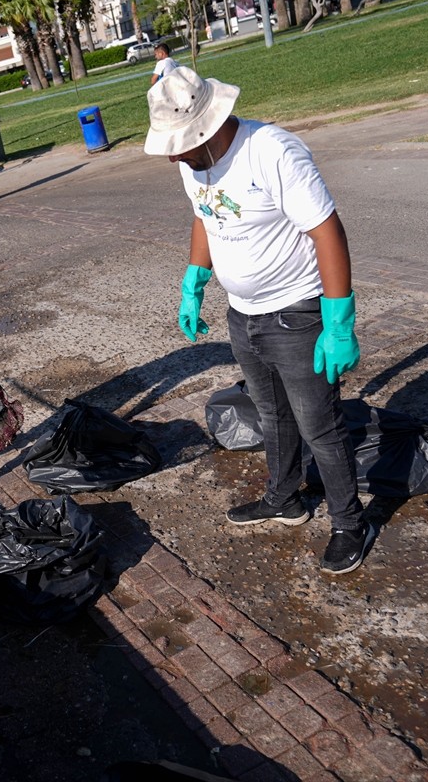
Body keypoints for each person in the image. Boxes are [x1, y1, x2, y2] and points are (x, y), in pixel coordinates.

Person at [144, 66, 371, 574]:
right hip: (242, 316)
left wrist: (338, 323)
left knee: (320, 426)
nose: (174, 155)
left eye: (180, 144)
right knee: (271, 415)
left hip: (296, 315)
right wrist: (194, 281)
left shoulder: (272, 152)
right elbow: (205, 214)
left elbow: (328, 232)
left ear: (208, 125)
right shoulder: (191, 161)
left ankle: (349, 522)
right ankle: (284, 498)